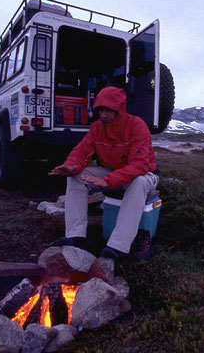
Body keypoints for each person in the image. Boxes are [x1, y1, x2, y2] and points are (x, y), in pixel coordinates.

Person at [49, 86, 158, 260]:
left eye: (109, 110)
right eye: (100, 110)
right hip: (113, 172)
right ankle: (76, 236)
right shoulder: (97, 128)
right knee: (76, 176)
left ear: (119, 109)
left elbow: (140, 165)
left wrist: (108, 180)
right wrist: (71, 166)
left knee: (139, 182)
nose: (104, 114)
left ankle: (119, 246)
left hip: (144, 174)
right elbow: (81, 151)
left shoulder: (137, 126)